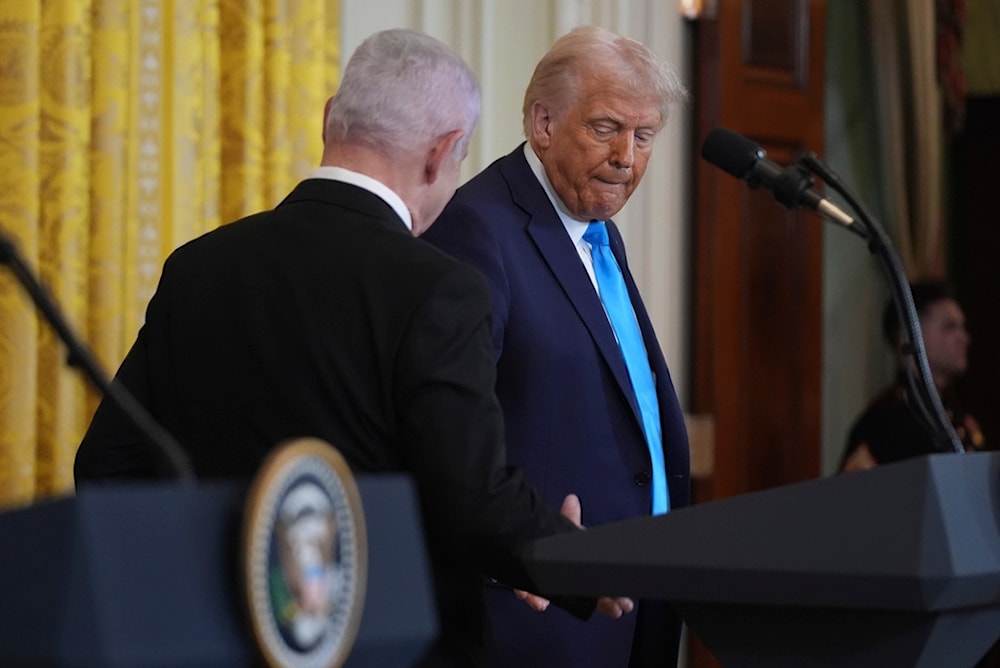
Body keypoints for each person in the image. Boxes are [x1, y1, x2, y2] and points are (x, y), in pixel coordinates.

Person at [73, 28, 631, 667]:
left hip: (218, 644)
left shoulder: (198, 267)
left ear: (328, 120)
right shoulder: (439, 290)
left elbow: (107, 465)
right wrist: (577, 560)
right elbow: (469, 500)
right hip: (385, 648)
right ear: (440, 155)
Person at [421, 25, 691, 667]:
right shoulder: (476, 227)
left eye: (644, 135)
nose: (627, 156)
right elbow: (448, 435)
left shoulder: (599, 233)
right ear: (542, 122)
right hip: (539, 619)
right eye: (605, 128)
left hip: (637, 598)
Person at [839, 280, 987, 472]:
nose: (964, 338)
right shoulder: (884, 424)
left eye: (962, 327)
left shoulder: (958, 417)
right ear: (907, 336)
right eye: (950, 327)